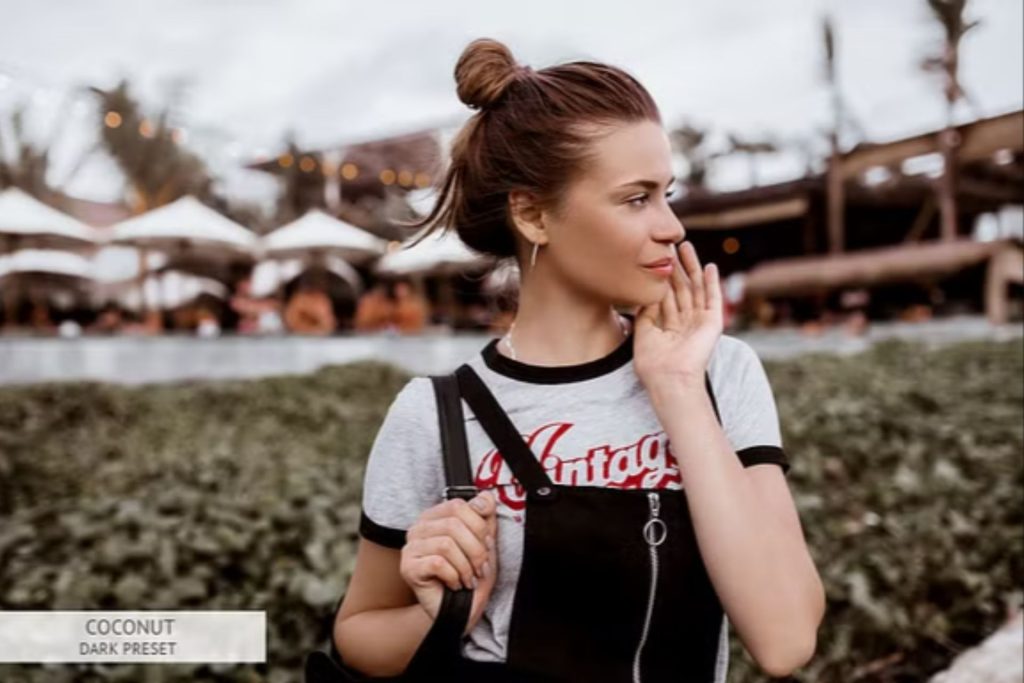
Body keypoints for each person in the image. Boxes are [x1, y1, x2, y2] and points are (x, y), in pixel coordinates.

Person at [334, 38, 825, 682]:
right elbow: (357, 634)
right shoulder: (436, 414)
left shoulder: (719, 375)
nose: (672, 226)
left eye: (666, 194)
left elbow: (785, 640)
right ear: (534, 215)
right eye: (636, 198)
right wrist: (447, 613)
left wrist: (675, 386)